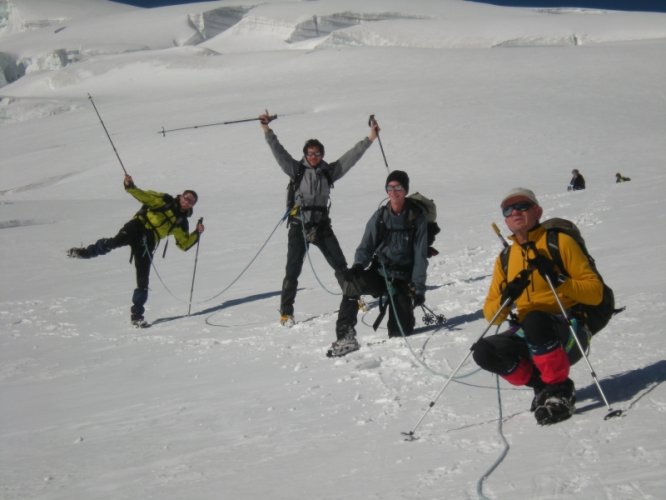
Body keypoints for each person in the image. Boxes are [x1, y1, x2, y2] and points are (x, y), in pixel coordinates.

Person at [472, 187, 603, 425]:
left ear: (538, 211)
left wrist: (559, 280)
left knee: (535, 319)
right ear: (505, 220)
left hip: (570, 332)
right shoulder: (505, 259)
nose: (515, 212)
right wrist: (506, 299)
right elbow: (491, 315)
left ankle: (559, 388)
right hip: (532, 334)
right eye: (508, 209)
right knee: (484, 351)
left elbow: (595, 294)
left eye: (522, 206)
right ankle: (543, 386)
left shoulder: (559, 243)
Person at [259, 110, 379, 326]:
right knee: (292, 271)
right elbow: (278, 152)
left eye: (318, 154)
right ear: (304, 154)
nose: (314, 157)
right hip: (299, 227)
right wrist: (267, 129)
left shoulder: (329, 172)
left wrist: (370, 138)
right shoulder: (295, 170)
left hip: (322, 227)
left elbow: (351, 157)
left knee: (341, 266)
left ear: (322, 155)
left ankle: (354, 299)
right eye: (310, 153)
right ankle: (286, 312)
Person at [67, 174, 204, 327]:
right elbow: (144, 196)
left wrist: (196, 233)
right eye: (186, 197)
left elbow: (183, 244)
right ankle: (86, 252)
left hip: (150, 240)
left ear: (192, 205)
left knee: (143, 278)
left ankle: (137, 316)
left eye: (191, 201)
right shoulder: (164, 200)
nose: (187, 201)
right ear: (181, 196)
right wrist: (130, 186)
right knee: (113, 243)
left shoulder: (182, 223)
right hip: (137, 227)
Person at [327, 170, 428, 357]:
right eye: (390, 188)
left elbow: (420, 257)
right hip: (380, 273)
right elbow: (366, 245)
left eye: (398, 187)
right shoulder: (380, 216)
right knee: (350, 284)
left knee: (401, 333)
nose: (393, 192)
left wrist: (419, 289)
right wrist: (358, 266)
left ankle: (403, 312)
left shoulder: (417, 218)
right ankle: (346, 336)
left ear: (405, 190)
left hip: (402, 280)